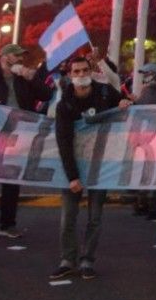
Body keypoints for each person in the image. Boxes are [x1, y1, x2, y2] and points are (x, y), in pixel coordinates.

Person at [50, 55, 130, 280]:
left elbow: (124, 105)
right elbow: (63, 141)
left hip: (100, 164)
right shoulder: (64, 104)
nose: (81, 75)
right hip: (74, 165)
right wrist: (72, 176)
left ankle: (87, 260)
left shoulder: (105, 93)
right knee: (69, 216)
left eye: (84, 70)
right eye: (76, 72)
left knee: (95, 217)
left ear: (91, 71)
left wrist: (124, 103)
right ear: (69, 75)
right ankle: (67, 259)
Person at [0, 43, 53, 238]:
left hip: (20, 134)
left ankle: (7, 224)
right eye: (17, 56)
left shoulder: (23, 79)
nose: (20, 59)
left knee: (12, 179)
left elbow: (46, 95)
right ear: (5, 57)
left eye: (21, 56)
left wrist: (32, 78)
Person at [130, 61, 156, 219]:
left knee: (144, 174)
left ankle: (141, 204)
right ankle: (154, 207)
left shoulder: (144, 94)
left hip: (142, 140)